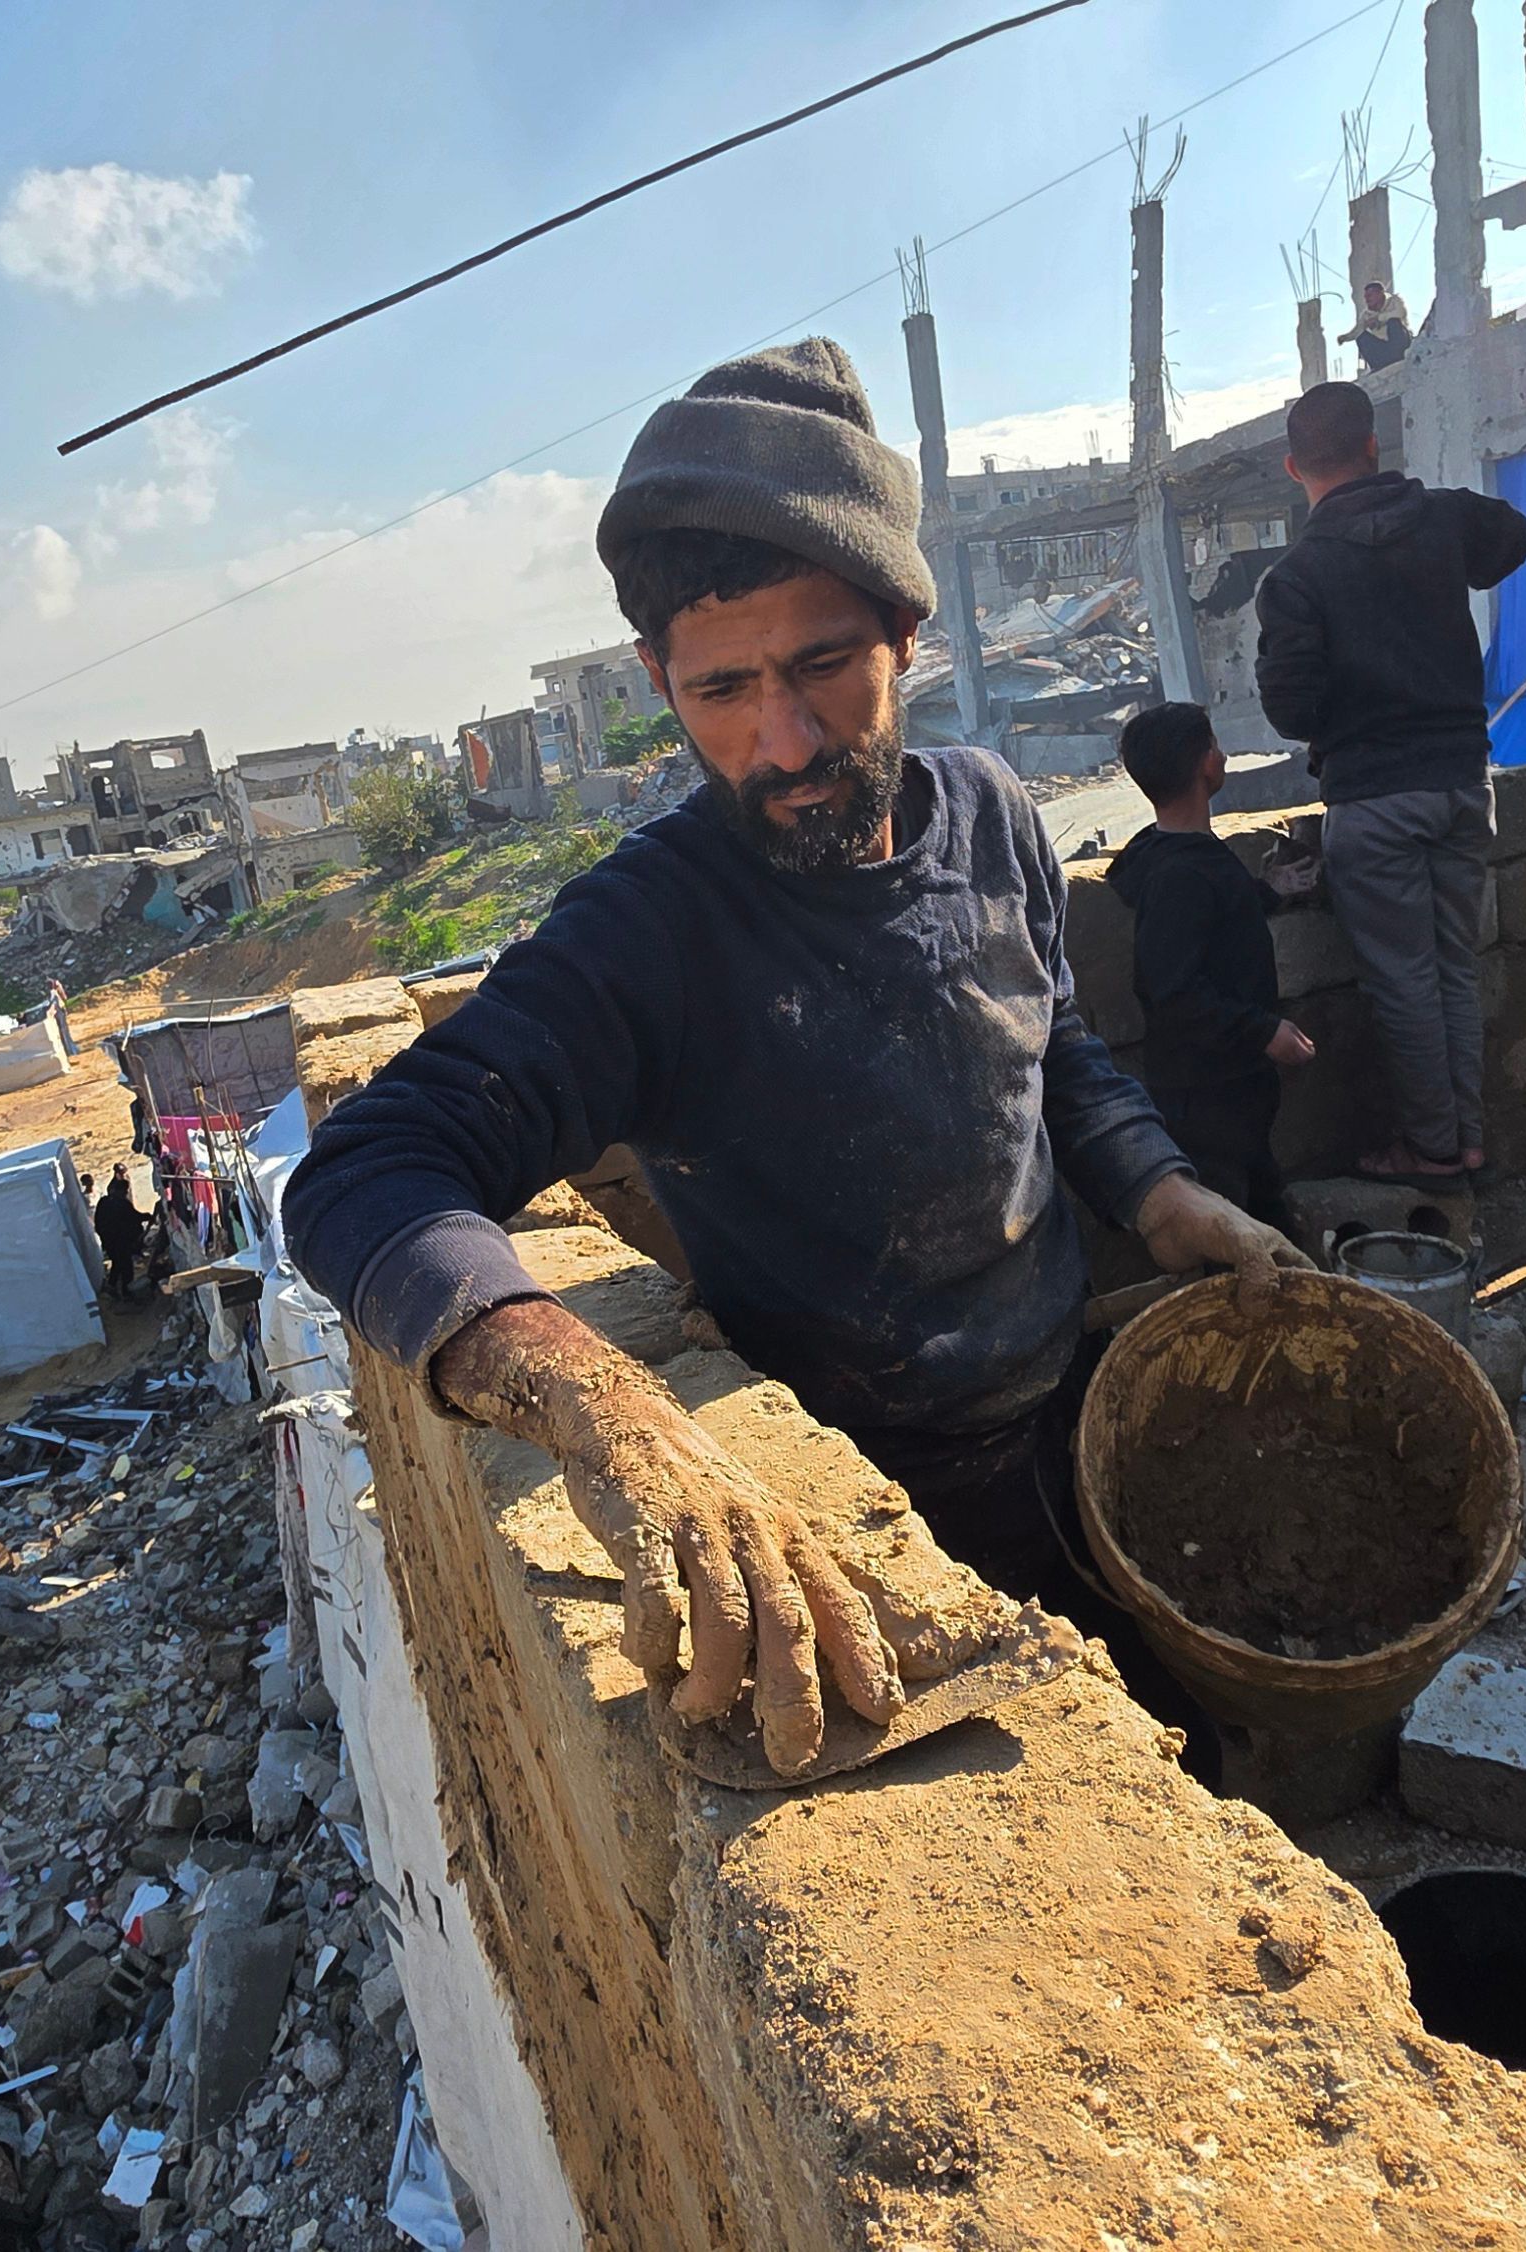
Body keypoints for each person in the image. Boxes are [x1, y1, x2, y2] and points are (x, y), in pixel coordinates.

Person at [285, 340, 1306, 1778]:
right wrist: (593, 1395)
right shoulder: (649, 933)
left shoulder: (998, 813)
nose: (784, 741)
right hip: (863, 1505)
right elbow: (365, 1172)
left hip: (1075, 1418)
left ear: (902, 629)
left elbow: (1054, 1047)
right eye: (720, 691)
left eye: (826, 667)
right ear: (657, 675)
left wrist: (1159, 1194)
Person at [1254, 379, 1526, 1183]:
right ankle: (1465, 1138)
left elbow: (1292, 712)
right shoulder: (1441, 518)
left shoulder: (1298, 577)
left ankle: (1436, 1150)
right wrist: (1433, 527)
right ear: (1374, 448)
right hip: (1459, 780)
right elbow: (1511, 538)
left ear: (1292, 467)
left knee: (1406, 983)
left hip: (1375, 796)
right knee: (1453, 967)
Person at [1106, 702, 1309, 1239]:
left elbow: (1213, 922)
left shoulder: (1175, 855)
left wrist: (1266, 891)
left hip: (1226, 1086)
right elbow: (1171, 992)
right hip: (1208, 1093)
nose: (1222, 754)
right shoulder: (1182, 876)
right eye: (1215, 745)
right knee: (1225, 1233)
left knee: (1261, 1215)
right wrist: (1264, 1031)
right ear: (1204, 765)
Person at [94, 1165, 147, 1301]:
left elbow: (98, 1223)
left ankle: (112, 1286)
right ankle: (126, 1292)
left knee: (117, 1264)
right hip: (120, 1242)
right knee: (126, 1267)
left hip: (109, 1241)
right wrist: (147, 1216)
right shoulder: (121, 1204)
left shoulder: (103, 1202)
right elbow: (133, 1217)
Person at [1351, 278, 1415, 371]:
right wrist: (1344, 337)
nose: (1367, 300)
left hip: (1400, 344)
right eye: (1366, 297)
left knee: (1393, 322)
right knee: (1361, 337)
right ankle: (1377, 366)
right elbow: (1357, 330)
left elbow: (1400, 313)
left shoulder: (1394, 301)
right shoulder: (1366, 314)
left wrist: (1378, 319)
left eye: (1369, 296)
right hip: (1384, 349)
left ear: (1380, 294)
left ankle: (1399, 357)